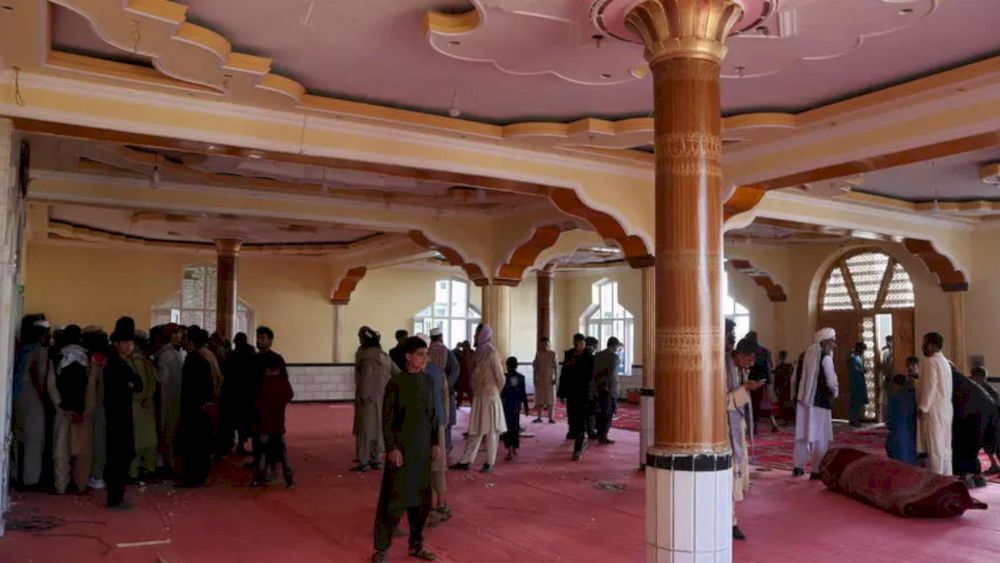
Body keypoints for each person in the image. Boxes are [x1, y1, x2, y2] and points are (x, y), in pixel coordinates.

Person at [372, 336, 440, 563]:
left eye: (426, 354)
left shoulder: (428, 382)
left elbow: (432, 416)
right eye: (421, 354)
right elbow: (387, 420)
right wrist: (392, 448)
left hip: (422, 451)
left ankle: (416, 544)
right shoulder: (396, 384)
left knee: (421, 501)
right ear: (408, 357)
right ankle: (381, 549)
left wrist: (435, 443)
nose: (425, 358)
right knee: (394, 500)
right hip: (401, 451)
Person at [46, 325, 95, 494]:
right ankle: (81, 485)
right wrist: (87, 411)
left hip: (63, 412)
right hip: (83, 413)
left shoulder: (55, 357)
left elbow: (51, 386)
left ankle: (61, 486)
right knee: (82, 452)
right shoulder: (89, 357)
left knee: (61, 451)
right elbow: (91, 387)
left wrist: (61, 408)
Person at [451, 324, 506, 473]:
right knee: (475, 429)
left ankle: (490, 462)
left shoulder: (492, 353)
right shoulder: (478, 353)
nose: (475, 336)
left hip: (490, 396)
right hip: (480, 397)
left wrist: (494, 392)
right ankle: (465, 461)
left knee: (492, 431)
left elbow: (500, 378)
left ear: (483, 335)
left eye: (477, 333)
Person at [103, 317, 144, 508]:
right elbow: (130, 385)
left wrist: (131, 383)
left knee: (124, 453)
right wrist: (130, 383)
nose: (129, 346)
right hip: (115, 414)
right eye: (125, 343)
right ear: (117, 343)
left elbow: (137, 384)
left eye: (131, 343)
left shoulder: (123, 362)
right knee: (118, 454)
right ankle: (114, 494)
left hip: (122, 412)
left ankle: (117, 492)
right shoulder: (113, 363)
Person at [727, 337, 764, 541]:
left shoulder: (738, 368)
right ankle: (730, 522)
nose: (751, 363)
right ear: (739, 354)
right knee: (731, 474)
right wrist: (746, 389)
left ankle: (731, 520)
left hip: (736, 426)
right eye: (749, 359)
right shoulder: (723, 368)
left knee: (737, 473)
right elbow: (721, 400)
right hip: (724, 430)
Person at [792, 328, 839, 479]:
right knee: (820, 436)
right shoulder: (825, 357)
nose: (834, 345)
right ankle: (816, 470)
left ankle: (798, 467)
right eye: (832, 341)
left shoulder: (803, 355)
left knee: (802, 435)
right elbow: (831, 381)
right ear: (825, 342)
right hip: (820, 403)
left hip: (803, 402)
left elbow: (795, 379)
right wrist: (835, 392)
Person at [352, 326, 395, 472]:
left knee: (365, 430)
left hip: (368, 398)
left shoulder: (366, 357)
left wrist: (363, 395)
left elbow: (366, 378)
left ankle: (364, 461)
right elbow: (397, 373)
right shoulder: (384, 356)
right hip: (382, 398)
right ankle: (375, 459)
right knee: (378, 429)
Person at [176, 327, 214, 487]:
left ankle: (193, 476)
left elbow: (190, 389)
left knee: (193, 443)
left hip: (192, 409)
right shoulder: (202, 360)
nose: (183, 342)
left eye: (186, 339)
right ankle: (200, 474)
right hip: (200, 409)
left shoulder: (193, 361)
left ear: (191, 343)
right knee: (200, 443)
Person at [14, 320, 50, 489]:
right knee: (34, 437)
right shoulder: (39, 350)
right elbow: (37, 373)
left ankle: (16, 475)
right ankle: (31, 479)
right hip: (31, 393)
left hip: (17, 393)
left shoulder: (22, 349)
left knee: (20, 435)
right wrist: (42, 395)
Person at [253, 352, 295, 488]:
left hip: (265, 425)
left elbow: (258, 403)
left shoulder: (264, 384)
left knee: (263, 451)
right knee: (283, 451)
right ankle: (288, 477)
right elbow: (290, 396)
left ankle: (261, 477)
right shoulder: (282, 383)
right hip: (278, 424)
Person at [249, 326, 287, 469]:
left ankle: (272, 462)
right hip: (256, 404)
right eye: (258, 338)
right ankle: (257, 459)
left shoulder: (277, 359)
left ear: (270, 341)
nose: (259, 341)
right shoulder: (253, 359)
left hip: (272, 406)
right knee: (256, 434)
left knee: (273, 435)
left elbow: (283, 382)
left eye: (263, 338)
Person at [916, 332, 953, 476]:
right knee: (945, 446)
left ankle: (936, 480)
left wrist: (923, 407)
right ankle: (947, 477)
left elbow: (930, 386)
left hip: (934, 410)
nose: (922, 346)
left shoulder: (930, 362)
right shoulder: (945, 362)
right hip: (946, 409)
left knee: (935, 447)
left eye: (924, 343)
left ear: (931, 345)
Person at [558, 333, 595, 461]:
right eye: (576, 344)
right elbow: (564, 374)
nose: (577, 346)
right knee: (573, 420)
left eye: (580, 344)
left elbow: (589, 376)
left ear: (584, 345)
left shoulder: (589, 357)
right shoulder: (569, 355)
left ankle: (577, 449)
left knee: (580, 421)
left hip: (584, 394)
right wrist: (561, 392)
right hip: (571, 394)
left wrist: (576, 365)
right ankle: (578, 437)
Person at [154, 324, 185, 475]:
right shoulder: (170, 354)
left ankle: (168, 463)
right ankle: (169, 463)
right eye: (177, 333)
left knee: (168, 431)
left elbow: (161, 379)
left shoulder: (167, 354)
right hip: (171, 398)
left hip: (170, 399)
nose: (180, 336)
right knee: (169, 431)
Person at [128, 332, 158, 480]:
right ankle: (149, 467)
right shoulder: (148, 360)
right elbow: (152, 383)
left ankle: (133, 472)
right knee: (149, 439)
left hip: (136, 404)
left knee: (137, 439)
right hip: (148, 404)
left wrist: (139, 398)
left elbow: (139, 385)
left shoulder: (134, 361)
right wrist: (149, 397)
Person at [82, 326, 108, 490]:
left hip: (97, 406)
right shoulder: (110, 359)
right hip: (109, 406)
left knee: (96, 443)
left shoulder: (94, 361)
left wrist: (88, 409)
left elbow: (91, 387)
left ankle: (96, 476)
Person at [428, 328, 459, 453]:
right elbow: (455, 371)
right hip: (446, 392)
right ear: (441, 337)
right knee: (446, 419)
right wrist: (446, 385)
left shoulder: (427, 352)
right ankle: (447, 445)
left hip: (430, 391)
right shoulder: (447, 351)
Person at [885, 358, 918, 464]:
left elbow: (889, 422)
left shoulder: (895, 398)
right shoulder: (912, 396)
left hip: (897, 443)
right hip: (912, 444)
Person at [228, 332, 257, 455]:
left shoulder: (234, 355)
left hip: (235, 393)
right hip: (247, 393)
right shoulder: (250, 353)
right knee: (245, 421)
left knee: (236, 420)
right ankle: (242, 444)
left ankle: (236, 444)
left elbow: (229, 373)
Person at [971, 366, 1000, 474]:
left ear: (980, 378)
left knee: (996, 446)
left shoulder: (989, 391)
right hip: (986, 421)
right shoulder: (979, 389)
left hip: (994, 421)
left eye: (973, 378)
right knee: (987, 445)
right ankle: (994, 465)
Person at [746, 331, 777, 433]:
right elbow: (772, 365)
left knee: (755, 404)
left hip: (756, 380)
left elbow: (750, 366)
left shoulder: (753, 351)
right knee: (767, 404)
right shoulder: (766, 350)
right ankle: (773, 423)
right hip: (767, 380)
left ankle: (753, 427)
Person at [593, 337, 621, 445]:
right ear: (615, 346)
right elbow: (611, 374)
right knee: (607, 413)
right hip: (609, 388)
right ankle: (603, 436)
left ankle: (599, 433)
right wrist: (606, 386)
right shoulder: (614, 357)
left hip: (598, 387)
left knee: (600, 412)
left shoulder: (597, 355)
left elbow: (594, 372)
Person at [501, 356, 529, 460]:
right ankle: (514, 448)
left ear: (507, 365)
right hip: (516, 405)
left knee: (507, 427)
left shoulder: (505, 377)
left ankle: (508, 450)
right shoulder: (521, 377)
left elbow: (502, 394)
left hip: (506, 405)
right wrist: (526, 407)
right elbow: (523, 393)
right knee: (515, 426)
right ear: (517, 366)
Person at [532, 337, 558, 424]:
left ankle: (551, 418)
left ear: (549, 345)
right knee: (539, 399)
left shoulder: (553, 354)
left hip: (550, 380)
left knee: (550, 400)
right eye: (543, 345)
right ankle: (539, 417)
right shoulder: (538, 354)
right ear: (540, 345)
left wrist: (556, 379)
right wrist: (534, 378)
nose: (545, 346)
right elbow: (535, 368)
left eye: (546, 344)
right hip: (540, 379)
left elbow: (556, 368)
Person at [848, 342, 869, 427]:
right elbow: (855, 370)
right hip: (855, 383)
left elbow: (861, 369)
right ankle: (853, 420)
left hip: (860, 382)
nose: (863, 352)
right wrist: (862, 370)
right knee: (855, 403)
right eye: (863, 350)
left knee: (859, 403)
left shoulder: (859, 358)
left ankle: (856, 419)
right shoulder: (853, 358)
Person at [772, 351, 795, 423]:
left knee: (789, 405)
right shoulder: (778, 367)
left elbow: (792, 379)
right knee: (782, 404)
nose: (783, 359)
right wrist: (776, 389)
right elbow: (776, 379)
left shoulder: (790, 367)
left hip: (788, 388)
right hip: (782, 389)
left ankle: (790, 419)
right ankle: (785, 419)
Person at [454, 341, 474, 407]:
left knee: (465, 392)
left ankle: (458, 404)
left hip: (465, 376)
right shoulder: (472, 353)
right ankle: (473, 405)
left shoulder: (463, 354)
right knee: (467, 392)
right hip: (467, 376)